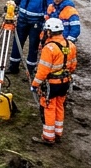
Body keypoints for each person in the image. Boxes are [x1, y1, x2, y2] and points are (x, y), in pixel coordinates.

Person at [32, 16, 78, 145]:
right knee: (59, 106)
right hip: (65, 82)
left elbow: (43, 71)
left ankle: (48, 137)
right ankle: (58, 133)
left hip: (51, 85)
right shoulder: (71, 45)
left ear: (49, 31)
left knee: (49, 107)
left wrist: (35, 84)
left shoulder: (49, 48)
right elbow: (73, 65)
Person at [8, 0, 50, 75]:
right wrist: (13, 7)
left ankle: (30, 70)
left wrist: (46, 23)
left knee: (33, 46)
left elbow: (49, 8)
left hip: (36, 22)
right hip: (22, 20)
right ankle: (13, 67)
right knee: (17, 42)